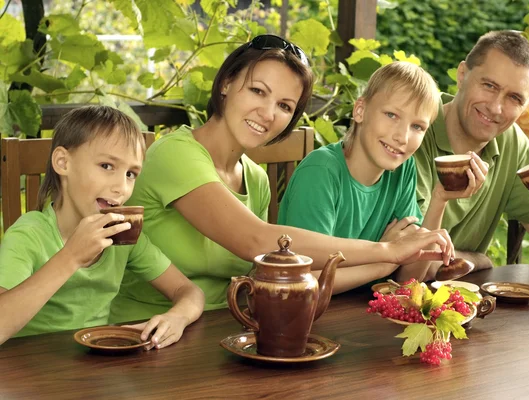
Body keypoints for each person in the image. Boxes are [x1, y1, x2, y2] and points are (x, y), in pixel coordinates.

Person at [109, 35, 454, 322]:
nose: (268, 113)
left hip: (230, 327)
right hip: (145, 331)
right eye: (258, 91)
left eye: (285, 106)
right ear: (227, 82)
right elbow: (256, 240)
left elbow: (265, 272)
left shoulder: (255, 179)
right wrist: (386, 252)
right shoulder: (175, 154)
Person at [0, 106, 205, 347]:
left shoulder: (123, 236)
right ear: (63, 162)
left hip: (94, 369)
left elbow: (188, 290)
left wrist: (177, 317)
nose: (121, 187)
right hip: (26, 371)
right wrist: (71, 257)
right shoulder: (29, 235)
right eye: (107, 166)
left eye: (131, 173)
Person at [277, 62, 486, 293]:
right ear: (360, 111)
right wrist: (386, 261)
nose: (402, 137)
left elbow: (410, 279)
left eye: (417, 127)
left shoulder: (403, 169)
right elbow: (304, 282)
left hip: (362, 312)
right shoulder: (321, 171)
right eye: (391, 115)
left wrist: (439, 199)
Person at [405, 30, 529, 281]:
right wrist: (477, 259)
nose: (495, 108)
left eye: (514, 98)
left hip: (457, 306)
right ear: (462, 75)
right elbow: (412, 264)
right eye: (489, 85)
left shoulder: (511, 142)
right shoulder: (412, 129)